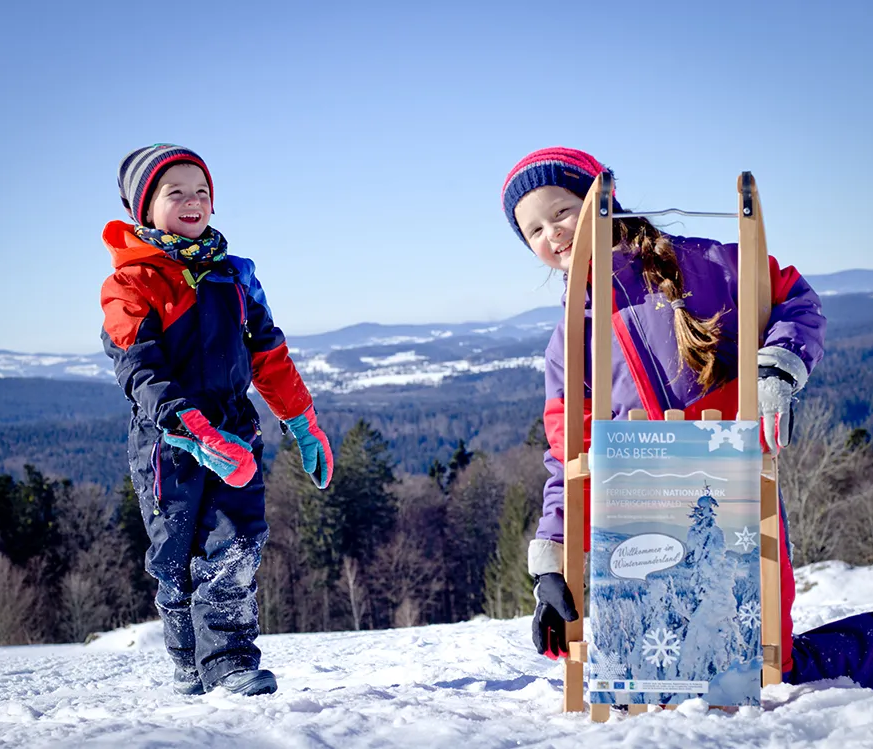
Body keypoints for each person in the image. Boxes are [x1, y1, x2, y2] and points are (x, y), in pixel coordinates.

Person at [501, 146, 873, 687]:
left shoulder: (703, 263)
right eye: (533, 231)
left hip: (739, 494)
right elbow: (568, 456)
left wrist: (774, 371)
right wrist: (552, 565)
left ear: (601, 202)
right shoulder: (567, 342)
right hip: (641, 514)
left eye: (561, 212)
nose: (552, 234)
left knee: (767, 663)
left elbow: (794, 298)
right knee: (680, 671)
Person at [101, 143, 333, 697]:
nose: (192, 201)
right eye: (174, 192)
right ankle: (189, 662)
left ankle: (230, 661)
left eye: (201, 191)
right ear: (144, 208)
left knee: (235, 544)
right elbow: (138, 366)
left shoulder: (235, 276)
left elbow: (268, 354)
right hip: (168, 444)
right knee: (176, 555)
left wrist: (302, 421)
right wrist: (186, 426)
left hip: (235, 431)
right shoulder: (130, 284)